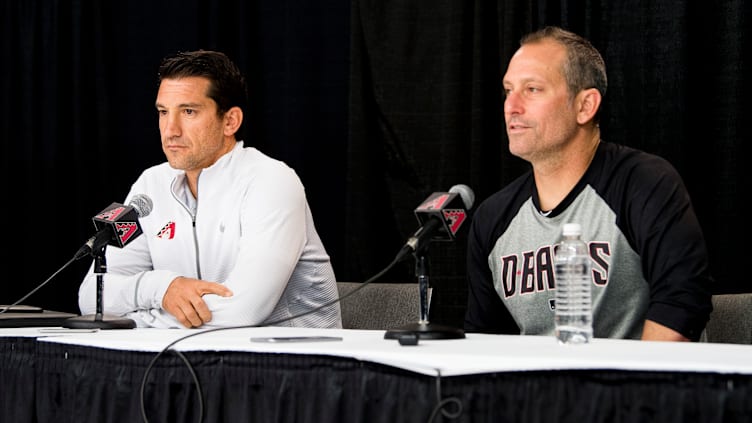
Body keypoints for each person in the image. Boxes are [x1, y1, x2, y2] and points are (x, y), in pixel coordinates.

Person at [464, 26, 713, 341]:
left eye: (532, 89)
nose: (511, 106)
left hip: (640, 386)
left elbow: (682, 304)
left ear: (585, 106)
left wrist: (628, 391)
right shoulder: (492, 218)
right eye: (508, 90)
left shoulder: (644, 183)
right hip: (537, 389)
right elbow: (484, 340)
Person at [77, 50, 342, 329]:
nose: (170, 130)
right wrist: (163, 289)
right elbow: (91, 298)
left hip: (295, 363)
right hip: (190, 361)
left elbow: (243, 311)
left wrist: (136, 320)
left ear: (230, 121)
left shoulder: (271, 181)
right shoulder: (150, 185)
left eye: (188, 112)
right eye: (163, 112)